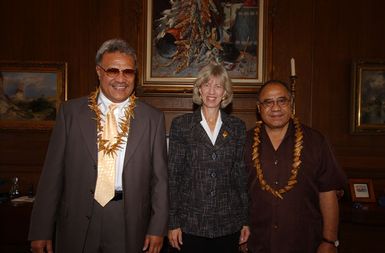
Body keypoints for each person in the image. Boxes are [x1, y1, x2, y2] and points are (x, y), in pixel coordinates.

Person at [28, 39, 168, 253]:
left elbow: (160, 181)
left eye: (128, 72)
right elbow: (51, 176)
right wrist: (40, 230)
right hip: (77, 217)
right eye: (113, 70)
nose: (121, 79)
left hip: (128, 221)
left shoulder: (153, 119)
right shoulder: (71, 113)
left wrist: (157, 228)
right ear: (99, 71)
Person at [244, 80, 346, 253]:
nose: (275, 108)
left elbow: (328, 192)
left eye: (282, 101)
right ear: (258, 107)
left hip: (304, 242)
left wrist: (329, 240)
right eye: (268, 102)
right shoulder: (244, 142)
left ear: (291, 104)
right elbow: (236, 192)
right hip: (257, 243)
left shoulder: (316, 142)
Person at [167, 63, 250, 253]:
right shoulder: (181, 125)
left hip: (228, 223)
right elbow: (173, 177)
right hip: (190, 224)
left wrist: (245, 220)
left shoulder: (237, 127)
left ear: (225, 93)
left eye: (218, 86)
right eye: (206, 84)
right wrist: (173, 222)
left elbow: (240, 176)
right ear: (199, 89)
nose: (212, 91)